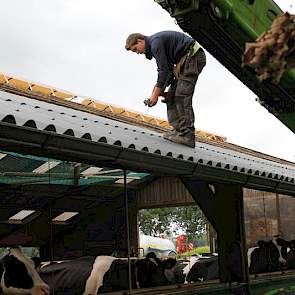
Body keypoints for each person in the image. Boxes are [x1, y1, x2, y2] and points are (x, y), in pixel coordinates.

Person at [125, 31, 206, 148]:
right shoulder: (155, 44)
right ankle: (178, 130)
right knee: (171, 95)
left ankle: (187, 135)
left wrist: (155, 94)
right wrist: (156, 93)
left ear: (140, 40)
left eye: (135, 49)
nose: (137, 53)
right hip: (183, 61)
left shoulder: (155, 43)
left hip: (192, 57)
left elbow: (163, 71)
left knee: (182, 95)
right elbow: (167, 71)